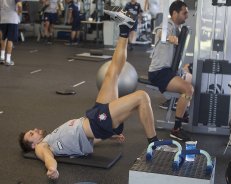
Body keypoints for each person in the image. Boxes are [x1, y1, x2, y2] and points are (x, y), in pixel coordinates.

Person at [19, 6, 159, 180]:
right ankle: (155, 144)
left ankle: (124, 28)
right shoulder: (42, 147)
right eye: (31, 134)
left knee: (112, 72)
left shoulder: (50, 138)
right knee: (142, 97)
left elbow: (83, 139)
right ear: (33, 146)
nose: (34, 130)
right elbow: (48, 159)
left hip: (94, 119)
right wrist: (52, 170)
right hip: (96, 121)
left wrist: (109, 136)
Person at [148, 1, 194, 141]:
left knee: (190, 78)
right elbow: (159, 32)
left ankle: (182, 112)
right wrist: (167, 37)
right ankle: (176, 129)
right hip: (159, 72)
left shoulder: (178, 28)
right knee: (188, 89)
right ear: (174, 13)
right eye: (184, 12)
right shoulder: (167, 26)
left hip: (169, 71)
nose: (187, 16)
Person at [0, 0, 22, 66]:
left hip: (3, 19)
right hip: (12, 19)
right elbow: (19, 5)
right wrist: (19, 13)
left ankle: (2, 57)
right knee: (10, 39)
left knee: (3, 38)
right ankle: (8, 60)